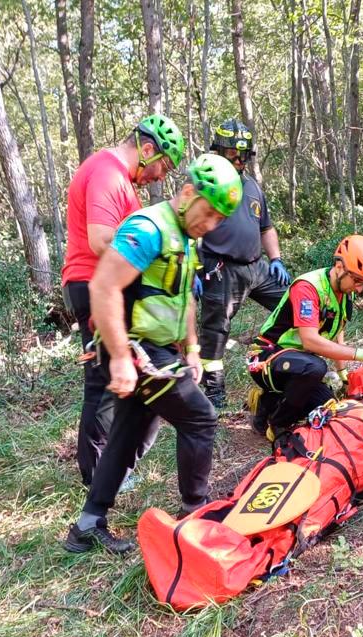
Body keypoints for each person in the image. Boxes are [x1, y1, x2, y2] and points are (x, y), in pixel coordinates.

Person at [64, 153, 242, 554]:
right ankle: (194, 517)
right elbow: (104, 287)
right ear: (187, 192)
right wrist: (121, 359)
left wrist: (193, 348)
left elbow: (185, 300)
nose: (210, 225)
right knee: (200, 417)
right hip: (134, 348)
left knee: (127, 434)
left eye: (218, 220)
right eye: (208, 213)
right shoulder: (148, 228)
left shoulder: (185, 237)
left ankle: (88, 525)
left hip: (157, 348)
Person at [62, 115, 185, 489]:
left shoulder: (120, 181)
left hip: (107, 285)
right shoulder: (107, 172)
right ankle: (97, 475)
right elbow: (101, 239)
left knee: (132, 375)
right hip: (93, 284)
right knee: (102, 384)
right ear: (148, 150)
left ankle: (113, 468)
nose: (161, 176)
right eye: (163, 165)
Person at [247, 234, 363, 440]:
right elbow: (310, 341)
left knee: (327, 404)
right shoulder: (308, 287)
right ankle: (278, 424)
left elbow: (337, 331)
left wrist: (342, 374)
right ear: (339, 267)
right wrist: (361, 354)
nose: (360, 289)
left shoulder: (345, 291)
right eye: (358, 281)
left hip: (296, 363)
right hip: (265, 357)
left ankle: (266, 405)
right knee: (315, 367)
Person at [197, 118, 292, 409]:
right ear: (218, 151)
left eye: (244, 155)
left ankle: (278, 360)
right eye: (232, 155)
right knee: (216, 329)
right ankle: (213, 391)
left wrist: (275, 259)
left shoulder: (251, 186)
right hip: (222, 268)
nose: (239, 161)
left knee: (291, 303)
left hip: (257, 267)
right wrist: (195, 270)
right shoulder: (205, 183)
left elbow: (266, 227)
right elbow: (187, 227)